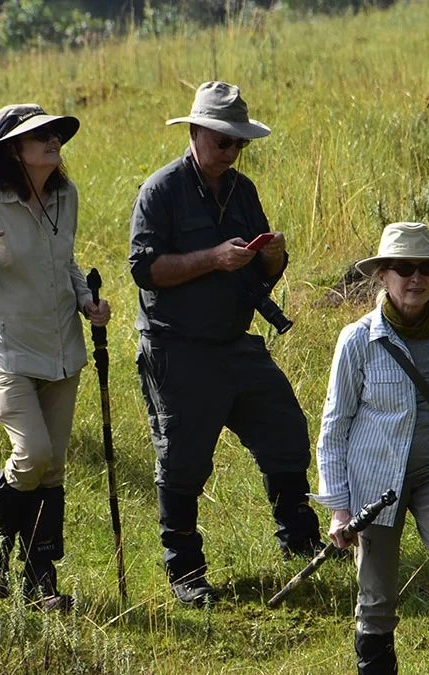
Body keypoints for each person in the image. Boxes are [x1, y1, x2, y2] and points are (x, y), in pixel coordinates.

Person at [129, 81, 326, 607]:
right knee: (183, 461)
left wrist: (272, 255)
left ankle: (299, 537)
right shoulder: (161, 191)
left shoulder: (243, 191)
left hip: (234, 342)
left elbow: (268, 273)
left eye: (238, 143)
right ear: (196, 132)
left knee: (286, 428)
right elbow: (144, 270)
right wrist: (212, 259)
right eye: (223, 141)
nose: (231, 151)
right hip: (177, 346)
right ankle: (185, 569)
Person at [314, 222, 429, 674]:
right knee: (376, 599)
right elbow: (333, 428)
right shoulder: (357, 339)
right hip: (375, 484)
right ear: (383, 275)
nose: (415, 278)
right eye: (404, 268)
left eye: (425, 268)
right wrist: (339, 510)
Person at [0, 104, 110, 611]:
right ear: (14, 150)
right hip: (9, 350)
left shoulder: (66, 195)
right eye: (39, 136)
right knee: (32, 455)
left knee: (54, 466)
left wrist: (87, 301)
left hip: (64, 347)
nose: (52, 141)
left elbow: (67, 261)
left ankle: (40, 579)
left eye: (55, 133)